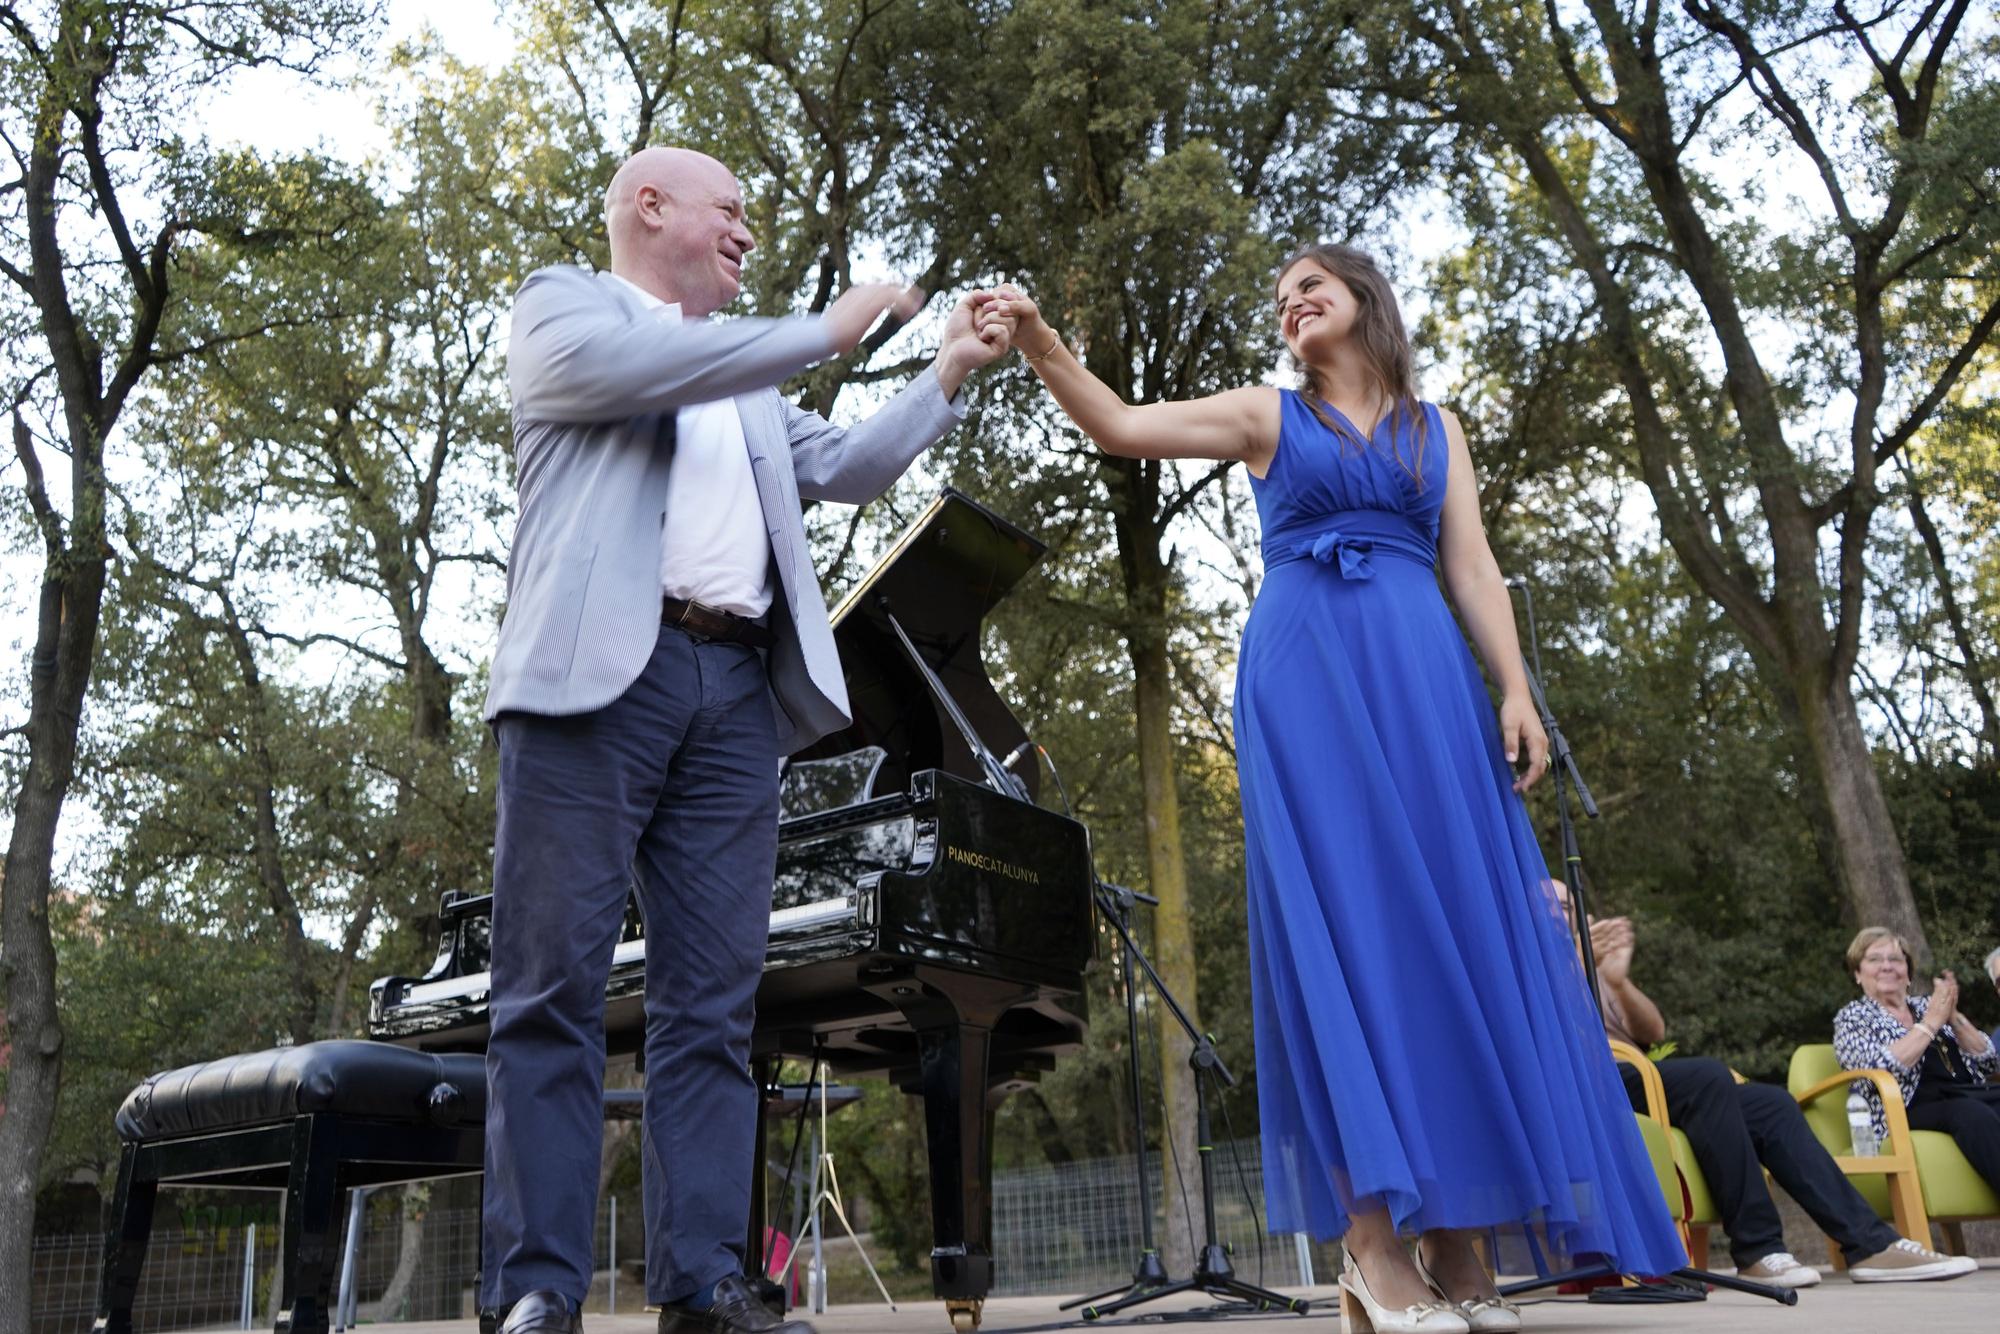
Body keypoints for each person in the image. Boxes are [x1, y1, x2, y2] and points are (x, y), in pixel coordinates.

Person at [990, 246, 1686, 1334]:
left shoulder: (1433, 426)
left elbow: (1471, 566)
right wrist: (1037, 338)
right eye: (1277, 300)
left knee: (1452, 934)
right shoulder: (1266, 416)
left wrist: (1513, 687)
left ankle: (1456, 1233)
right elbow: (1117, 425)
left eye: (1310, 284)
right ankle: (1369, 1242)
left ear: (1366, 298)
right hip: (1308, 682)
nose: (1291, 302)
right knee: (1351, 938)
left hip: (1426, 688)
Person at [481, 146, 1014, 1334]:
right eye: (731, 208)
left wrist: (944, 372)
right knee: (551, 990)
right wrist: (828, 328)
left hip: (733, 696)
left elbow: (851, 468)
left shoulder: (754, 394)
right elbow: (645, 366)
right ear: (647, 206)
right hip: (589, 685)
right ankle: (535, 1287)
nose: (746, 230)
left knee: (712, 1004)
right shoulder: (561, 307)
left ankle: (703, 1280)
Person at [1548, 882, 1974, 1284]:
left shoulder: (1595, 964)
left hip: (1636, 1075)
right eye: (1552, 904)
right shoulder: (1537, 963)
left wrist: (1618, 982)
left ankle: (1870, 1243)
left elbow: (1652, 1030)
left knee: (1770, 1103)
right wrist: (1581, 967)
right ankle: (1757, 1249)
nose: (1562, 913)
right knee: (1708, 1076)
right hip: (1584, 1082)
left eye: (1568, 906)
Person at [1836, 927, 2000, 1200]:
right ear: (1857, 973)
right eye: (1875, 959)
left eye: (1896, 959)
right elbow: (1876, 1069)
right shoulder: (1853, 1018)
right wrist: (1932, 1023)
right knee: (1970, 1114)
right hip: (1903, 1109)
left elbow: (1987, 1060)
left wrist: (1954, 1016)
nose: (1887, 966)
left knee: (1972, 1107)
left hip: (1963, 1095)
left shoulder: (1926, 1006)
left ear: (1908, 974)